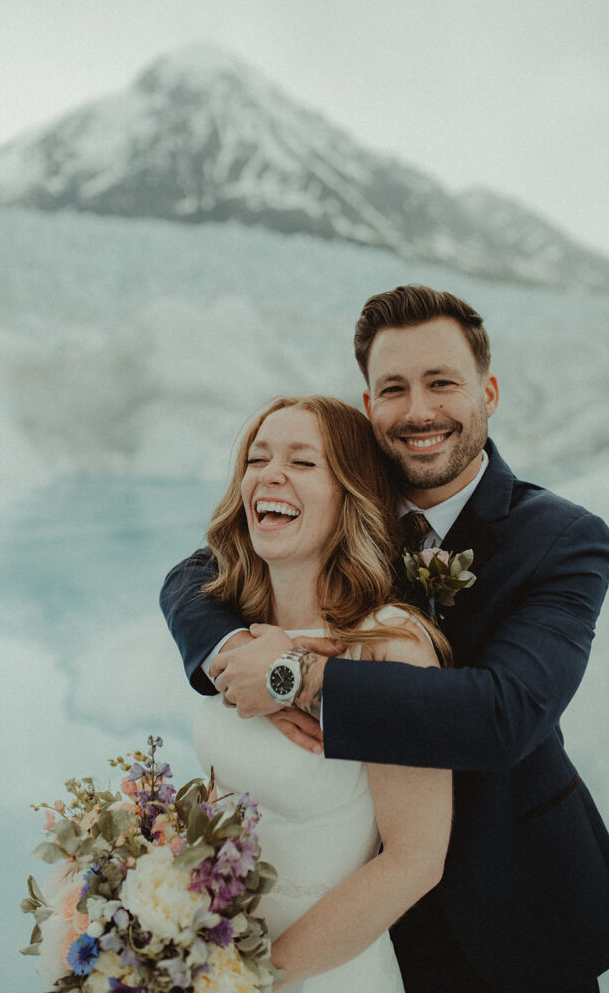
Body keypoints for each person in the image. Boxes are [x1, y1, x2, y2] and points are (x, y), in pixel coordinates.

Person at [161, 286, 609, 992]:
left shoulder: (560, 539)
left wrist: (293, 678)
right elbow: (197, 572)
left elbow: (505, 714)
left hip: (512, 902)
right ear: (369, 404)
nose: (418, 411)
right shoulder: (340, 503)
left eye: (442, 384)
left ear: (487, 392)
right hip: (348, 911)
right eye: (392, 388)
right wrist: (227, 652)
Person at [188, 394, 453, 991]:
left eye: (303, 463)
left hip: (323, 971)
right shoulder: (231, 628)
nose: (270, 474)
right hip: (211, 956)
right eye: (258, 458)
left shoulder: (389, 643)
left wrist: (254, 977)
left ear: (350, 495)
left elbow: (415, 861)